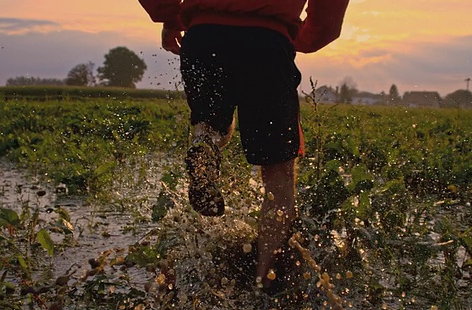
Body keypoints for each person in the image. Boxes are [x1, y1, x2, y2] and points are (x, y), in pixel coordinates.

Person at [138, 0, 349, 290]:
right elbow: (327, 16)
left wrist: (170, 17)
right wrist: (295, 34)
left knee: (211, 125)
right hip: (267, 43)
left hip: (204, 37)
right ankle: (264, 278)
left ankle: (204, 143)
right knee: (278, 175)